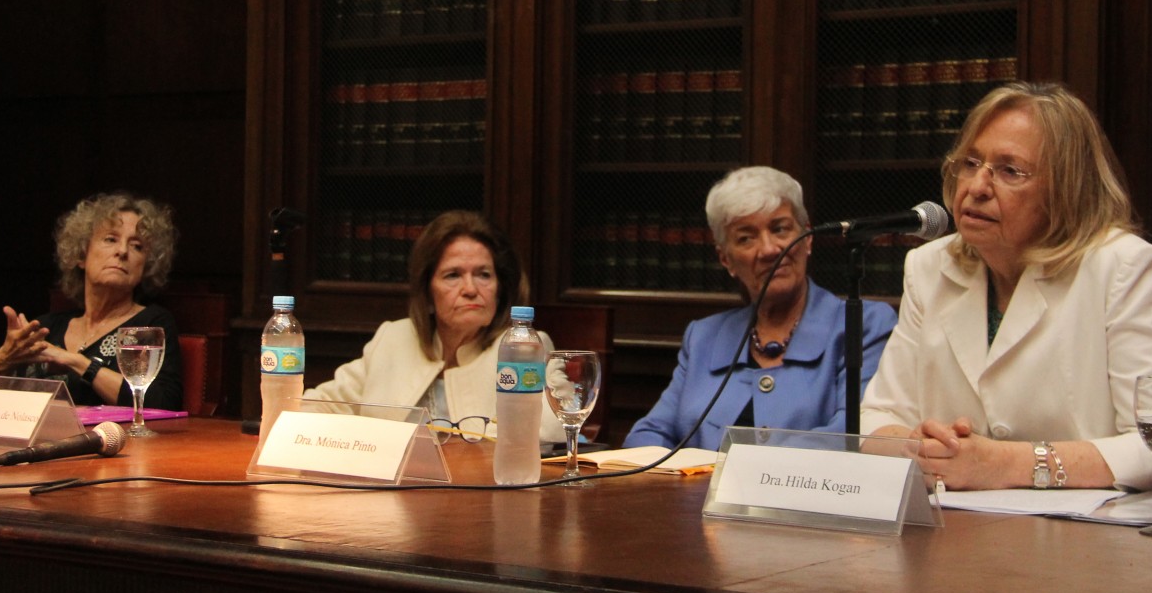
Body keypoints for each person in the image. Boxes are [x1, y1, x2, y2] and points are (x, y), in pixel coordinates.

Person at [860, 81, 1152, 492]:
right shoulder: (930, 266)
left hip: (1084, 543)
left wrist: (1008, 464)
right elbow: (874, 419)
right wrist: (926, 450)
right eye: (970, 163)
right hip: (957, 533)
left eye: (1009, 170)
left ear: (1066, 189)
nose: (977, 187)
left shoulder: (1119, 267)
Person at [623, 166, 898, 451]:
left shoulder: (862, 325)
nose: (768, 250)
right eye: (746, 238)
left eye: (780, 229)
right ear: (725, 259)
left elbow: (855, 432)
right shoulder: (704, 336)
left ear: (807, 238)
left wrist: (747, 472)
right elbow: (647, 436)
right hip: (696, 495)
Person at [304, 210, 565, 443]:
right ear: (428, 291)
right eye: (453, 275)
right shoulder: (395, 337)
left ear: (501, 287)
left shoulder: (524, 347)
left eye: (483, 275)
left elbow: (552, 429)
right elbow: (317, 406)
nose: (471, 289)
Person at [0, 192, 183, 411]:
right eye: (110, 239)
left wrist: (76, 362)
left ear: (146, 266)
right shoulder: (45, 327)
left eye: (137, 246)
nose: (122, 251)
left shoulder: (150, 324)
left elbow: (164, 404)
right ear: (81, 255)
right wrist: (4, 358)